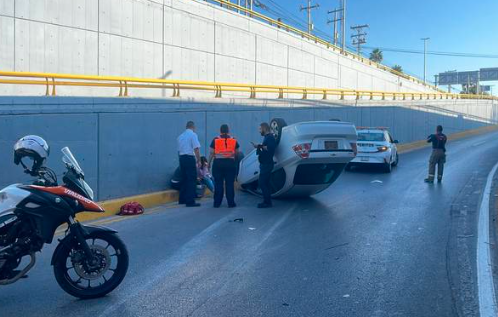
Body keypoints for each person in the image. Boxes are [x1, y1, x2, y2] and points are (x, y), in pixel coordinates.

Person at [209, 124, 240, 208]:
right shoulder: (233, 140)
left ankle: (217, 203)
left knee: (218, 183)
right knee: (229, 183)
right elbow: (237, 152)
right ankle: (231, 203)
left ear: (220, 131)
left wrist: (208, 163)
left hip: (218, 164)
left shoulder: (215, 139)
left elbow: (212, 153)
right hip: (230, 163)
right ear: (228, 130)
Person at [252, 122, 276, 208]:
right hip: (265, 164)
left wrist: (259, 146)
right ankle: (267, 201)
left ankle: (267, 202)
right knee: (266, 183)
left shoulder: (270, 138)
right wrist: (259, 146)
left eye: (260, 129)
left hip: (267, 164)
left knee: (262, 183)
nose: (259, 131)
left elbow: (270, 148)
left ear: (264, 128)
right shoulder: (267, 137)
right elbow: (265, 147)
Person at [177, 121, 201, 207]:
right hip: (189, 158)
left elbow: (179, 150)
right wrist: (198, 160)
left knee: (184, 178)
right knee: (191, 179)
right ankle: (190, 201)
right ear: (193, 127)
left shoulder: (180, 136)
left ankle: (182, 199)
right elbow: (196, 149)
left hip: (182, 158)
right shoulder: (193, 135)